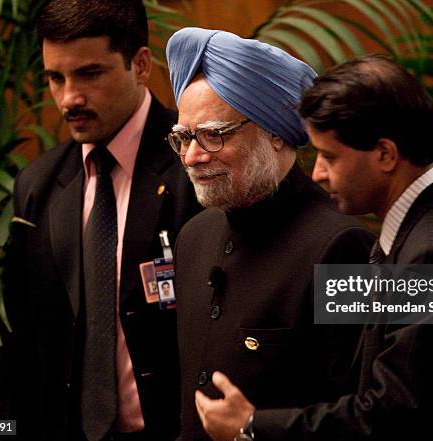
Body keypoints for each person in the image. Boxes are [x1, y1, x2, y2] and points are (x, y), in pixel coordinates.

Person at [195, 55, 433, 441]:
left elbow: (393, 416)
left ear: (385, 154)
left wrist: (250, 426)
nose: (317, 172)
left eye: (330, 156)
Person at [0, 1, 201, 440]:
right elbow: (22, 345)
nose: (69, 98)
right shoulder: (37, 186)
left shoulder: (197, 165)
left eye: (89, 74)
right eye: (55, 78)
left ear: (141, 65)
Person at [165, 28, 374, 441]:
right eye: (184, 137)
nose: (191, 157)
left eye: (213, 135)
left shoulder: (340, 245)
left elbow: (357, 417)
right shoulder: (193, 237)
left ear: (274, 133)